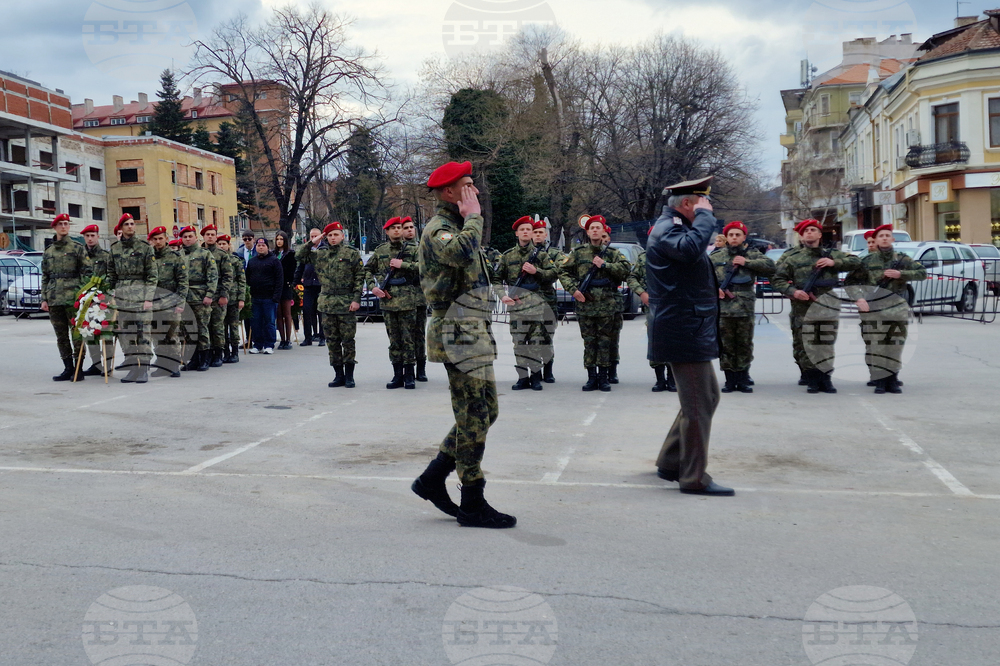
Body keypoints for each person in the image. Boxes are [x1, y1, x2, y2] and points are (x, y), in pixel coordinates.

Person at [411, 160, 515, 529]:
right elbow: (457, 253)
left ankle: (432, 477)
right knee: (472, 416)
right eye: (466, 186)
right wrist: (474, 217)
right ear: (449, 192)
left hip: (473, 327)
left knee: (486, 411)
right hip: (456, 329)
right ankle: (472, 500)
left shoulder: (458, 225)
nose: (474, 193)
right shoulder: (440, 228)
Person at [647, 176, 734, 497]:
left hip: (688, 327)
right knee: (698, 404)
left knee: (705, 397)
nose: (708, 208)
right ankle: (693, 477)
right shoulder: (668, 229)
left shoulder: (674, 227)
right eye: (703, 202)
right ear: (687, 204)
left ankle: (670, 461)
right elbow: (690, 249)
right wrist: (706, 218)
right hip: (682, 329)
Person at [770, 219, 861, 393]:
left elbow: (857, 263)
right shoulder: (792, 258)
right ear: (801, 235)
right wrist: (793, 291)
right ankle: (812, 378)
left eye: (813, 230)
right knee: (808, 343)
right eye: (806, 231)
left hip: (827, 306)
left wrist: (834, 263)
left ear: (820, 234)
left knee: (826, 343)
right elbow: (777, 279)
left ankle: (826, 378)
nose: (809, 233)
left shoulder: (832, 254)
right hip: (803, 308)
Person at [845, 223, 926, 394]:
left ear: (893, 239)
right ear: (875, 240)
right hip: (875, 310)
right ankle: (880, 380)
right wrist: (858, 298)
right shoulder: (867, 261)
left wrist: (901, 274)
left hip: (897, 309)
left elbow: (922, 273)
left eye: (887, 235)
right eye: (881, 236)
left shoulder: (903, 259)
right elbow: (850, 282)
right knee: (878, 345)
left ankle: (893, 379)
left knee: (896, 344)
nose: (884, 238)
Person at [558, 215, 631, 392]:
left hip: (607, 304)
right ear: (588, 232)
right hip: (586, 304)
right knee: (589, 342)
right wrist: (574, 290)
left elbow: (625, 271)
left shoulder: (613, 254)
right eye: (592, 228)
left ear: (604, 230)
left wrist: (605, 265)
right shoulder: (578, 252)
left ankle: (604, 377)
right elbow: (563, 271)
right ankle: (591, 377)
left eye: (598, 227)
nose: (595, 230)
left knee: (605, 342)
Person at [295, 221, 364, 387]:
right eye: (330, 235)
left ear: (342, 236)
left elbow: (359, 277)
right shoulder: (320, 254)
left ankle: (349, 375)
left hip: (346, 302)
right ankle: (338, 374)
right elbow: (299, 255)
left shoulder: (351, 253)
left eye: (336, 235)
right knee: (332, 341)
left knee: (348, 340)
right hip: (327, 303)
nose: (333, 238)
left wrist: (356, 299)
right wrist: (314, 240)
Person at [710, 221, 776, 393]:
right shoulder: (716, 257)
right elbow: (703, 278)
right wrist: (714, 289)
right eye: (731, 235)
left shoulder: (752, 254)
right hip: (724, 309)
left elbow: (771, 267)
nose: (734, 238)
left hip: (745, 308)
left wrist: (747, 262)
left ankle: (743, 378)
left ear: (743, 237)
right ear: (726, 237)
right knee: (726, 345)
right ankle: (730, 380)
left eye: (737, 234)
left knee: (744, 344)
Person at [494, 215, 556, 391]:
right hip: (516, 307)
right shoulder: (507, 256)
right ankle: (523, 377)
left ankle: (536, 377)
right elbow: (496, 279)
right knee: (519, 343)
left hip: (536, 308)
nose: (526, 232)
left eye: (528, 229)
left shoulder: (541, 255)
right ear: (516, 233)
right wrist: (502, 296)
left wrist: (536, 271)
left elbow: (553, 274)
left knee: (536, 343)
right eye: (522, 230)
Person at [366, 216, 423, 389]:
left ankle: (409, 375)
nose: (398, 230)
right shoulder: (381, 250)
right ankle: (397, 375)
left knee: (408, 339)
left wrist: (403, 264)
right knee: (394, 341)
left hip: (407, 300)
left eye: (400, 227)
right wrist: (373, 288)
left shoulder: (414, 249)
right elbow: (367, 270)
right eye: (394, 228)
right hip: (388, 302)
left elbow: (426, 268)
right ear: (387, 231)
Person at [107, 213, 157, 383]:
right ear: (120, 228)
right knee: (128, 334)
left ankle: (143, 368)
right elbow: (111, 274)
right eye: (126, 224)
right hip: (122, 297)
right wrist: (109, 295)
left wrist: (148, 298)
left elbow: (152, 275)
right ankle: (133, 368)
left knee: (143, 334)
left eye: (132, 223)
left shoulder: (145, 248)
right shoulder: (114, 249)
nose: (130, 226)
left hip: (141, 296)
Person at [41, 213, 91, 382]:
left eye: (66, 224)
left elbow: (87, 272)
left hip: (73, 299)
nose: (64, 226)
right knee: (61, 336)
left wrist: (82, 294)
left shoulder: (77, 248)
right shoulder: (49, 251)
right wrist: (44, 298)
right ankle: (67, 367)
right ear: (54, 227)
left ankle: (79, 368)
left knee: (77, 334)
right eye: (60, 224)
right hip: (54, 298)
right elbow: (45, 276)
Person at [626, 236, 676, 393]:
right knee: (655, 342)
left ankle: (672, 379)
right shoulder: (644, 258)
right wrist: (642, 293)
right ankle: (660, 379)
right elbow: (632, 277)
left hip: (673, 305)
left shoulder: (676, 255)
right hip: (653, 306)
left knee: (673, 342)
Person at [148, 226, 189, 377]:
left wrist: (180, 302)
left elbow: (183, 281)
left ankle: (174, 365)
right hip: (153, 303)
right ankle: (162, 364)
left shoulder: (175, 257)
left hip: (170, 302)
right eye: (155, 239)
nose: (158, 242)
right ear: (151, 241)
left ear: (166, 239)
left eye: (161, 238)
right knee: (157, 336)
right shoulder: (148, 257)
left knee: (171, 335)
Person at [179, 225, 218, 371]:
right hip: (184, 296)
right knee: (188, 329)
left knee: (201, 329)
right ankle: (194, 359)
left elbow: (213, 276)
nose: (188, 239)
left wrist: (209, 294)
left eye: (190, 236)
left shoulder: (205, 254)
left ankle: (205, 359)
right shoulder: (179, 255)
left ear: (196, 237)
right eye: (185, 237)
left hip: (200, 296)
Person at [199, 225, 234, 368]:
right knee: (204, 327)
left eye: (213, 234)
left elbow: (228, 276)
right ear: (203, 236)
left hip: (218, 295)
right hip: (202, 295)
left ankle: (218, 354)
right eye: (207, 234)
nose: (210, 237)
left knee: (217, 326)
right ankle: (206, 355)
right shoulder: (199, 253)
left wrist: (224, 294)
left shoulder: (221, 254)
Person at [533, 221, 563, 383]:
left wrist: (537, 272)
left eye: (540, 232)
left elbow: (557, 271)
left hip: (547, 299)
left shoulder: (554, 253)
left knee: (547, 336)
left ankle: (548, 370)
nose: (537, 235)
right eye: (535, 232)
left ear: (545, 235)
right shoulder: (525, 252)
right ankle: (534, 372)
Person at [80, 224, 111, 377]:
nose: (90, 238)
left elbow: (111, 277)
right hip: (85, 300)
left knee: (106, 332)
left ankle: (108, 364)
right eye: (87, 236)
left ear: (98, 236)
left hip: (102, 300)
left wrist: (108, 297)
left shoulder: (105, 256)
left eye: (93, 235)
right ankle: (96, 364)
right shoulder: (81, 255)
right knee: (88, 332)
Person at [246, 237, 283, 354]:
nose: (261, 247)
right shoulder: (252, 261)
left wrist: (276, 296)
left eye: (263, 245)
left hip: (269, 297)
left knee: (269, 322)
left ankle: (269, 344)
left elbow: (279, 279)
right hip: (255, 297)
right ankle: (257, 344)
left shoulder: (274, 261)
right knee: (256, 322)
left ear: (267, 247)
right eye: (258, 246)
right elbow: (247, 279)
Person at [401, 216, 427, 381]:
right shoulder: (397, 249)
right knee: (405, 336)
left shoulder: (422, 248)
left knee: (419, 335)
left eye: (411, 227)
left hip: (419, 297)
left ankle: (421, 369)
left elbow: (424, 267)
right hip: (402, 299)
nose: (410, 230)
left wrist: (403, 265)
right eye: (406, 227)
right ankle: (405, 369)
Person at [217, 235, 246, 363]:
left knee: (233, 326)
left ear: (229, 245)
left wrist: (241, 298)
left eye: (224, 244)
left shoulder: (235, 260)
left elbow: (241, 281)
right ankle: (225, 352)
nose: (222, 246)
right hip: (219, 298)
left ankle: (234, 352)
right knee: (221, 327)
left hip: (233, 298)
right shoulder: (215, 259)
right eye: (220, 244)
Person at [294, 227, 324, 346]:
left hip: (321, 285)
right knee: (306, 311)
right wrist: (295, 282)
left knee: (321, 312)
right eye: (311, 236)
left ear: (321, 236)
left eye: (316, 236)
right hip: (308, 285)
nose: (314, 238)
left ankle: (322, 337)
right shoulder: (306, 250)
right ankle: (308, 337)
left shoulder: (325, 248)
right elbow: (300, 266)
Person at [273, 230, 297, 350]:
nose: (279, 242)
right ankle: (282, 339)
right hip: (276, 287)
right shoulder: (273, 254)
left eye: (281, 239)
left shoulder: (290, 254)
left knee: (287, 314)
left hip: (286, 286)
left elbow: (293, 270)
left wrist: (290, 282)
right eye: (277, 239)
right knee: (278, 314)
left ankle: (288, 339)